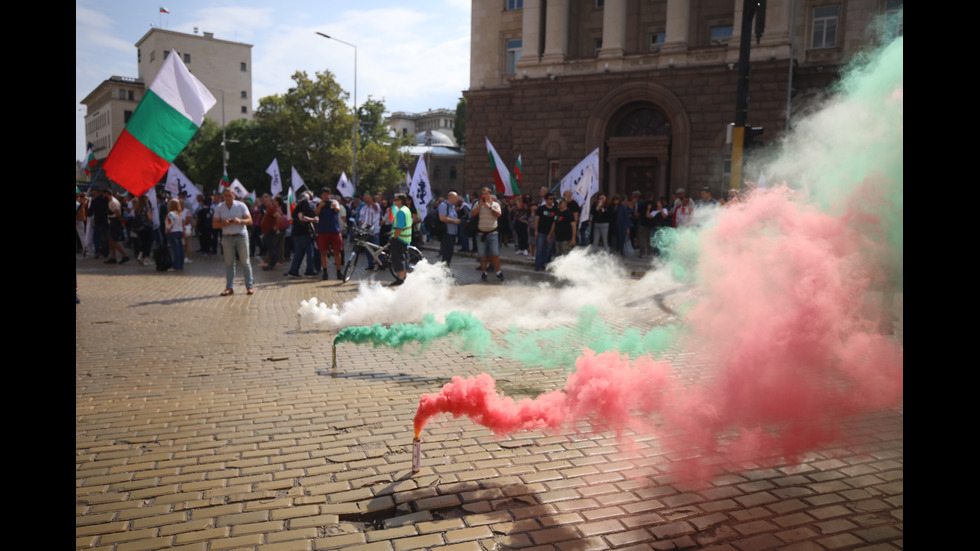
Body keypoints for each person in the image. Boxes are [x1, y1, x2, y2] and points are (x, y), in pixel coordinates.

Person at [213, 188, 254, 295]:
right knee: (229, 263)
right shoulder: (219, 207)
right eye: (225, 196)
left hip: (241, 236)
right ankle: (229, 287)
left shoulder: (241, 205)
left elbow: (250, 221)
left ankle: (249, 286)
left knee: (245, 262)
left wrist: (240, 221)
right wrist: (224, 223)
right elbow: (214, 224)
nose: (228, 198)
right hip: (227, 238)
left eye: (230, 195)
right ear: (223, 197)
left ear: (234, 196)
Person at [471, 187, 504, 282]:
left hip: (492, 233)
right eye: (482, 193)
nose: (484, 195)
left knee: (495, 254)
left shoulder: (496, 204)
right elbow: (473, 214)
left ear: (490, 194)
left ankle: (498, 272)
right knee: (482, 254)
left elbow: (498, 214)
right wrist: (479, 206)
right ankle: (484, 272)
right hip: (481, 233)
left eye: (486, 193)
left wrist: (488, 206)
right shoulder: (478, 203)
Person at [285, 191, 318, 279]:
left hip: (297, 234)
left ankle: (294, 271)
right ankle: (309, 271)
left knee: (298, 254)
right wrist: (313, 219)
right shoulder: (302, 207)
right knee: (310, 253)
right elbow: (301, 217)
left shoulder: (298, 207)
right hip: (304, 233)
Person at [315, 187, 345, 280]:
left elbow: (338, 210)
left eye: (327, 194)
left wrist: (334, 206)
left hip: (334, 230)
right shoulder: (318, 204)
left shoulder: (335, 202)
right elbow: (316, 213)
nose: (326, 196)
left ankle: (339, 271)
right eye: (324, 194)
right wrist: (320, 206)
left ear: (330, 195)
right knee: (323, 252)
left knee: (337, 251)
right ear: (321, 195)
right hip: (322, 231)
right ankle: (324, 272)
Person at [388, 193, 413, 286]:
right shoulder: (407, 210)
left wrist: (394, 237)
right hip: (406, 239)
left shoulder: (401, 212)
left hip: (399, 239)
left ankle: (400, 280)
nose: (394, 201)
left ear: (401, 201)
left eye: (396, 199)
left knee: (399, 259)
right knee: (404, 259)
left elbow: (399, 227)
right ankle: (404, 278)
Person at [105, 191, 131, 264]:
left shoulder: (113, 202)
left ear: (107, 194)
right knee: (110, 240)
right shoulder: (111, 201)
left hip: (114, 222)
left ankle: (124, 255)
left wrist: (121, 222)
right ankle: (114, 258)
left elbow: (117, 213)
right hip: (111, 222)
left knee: (113, 241)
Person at [358, 192, 382, 270]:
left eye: (368, 199)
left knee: (376, 248)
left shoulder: (376, 205)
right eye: (365, 199)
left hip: (374, 231)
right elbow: (360, 219)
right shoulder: (363, 208)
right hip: (366, 232)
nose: (367, 201)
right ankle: (370, 264)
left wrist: (371, 202)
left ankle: (380, 263)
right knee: (367, 248)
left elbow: (376, 208)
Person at [259, 194, 282, 271]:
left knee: (272, 248)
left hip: (270, 232)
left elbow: (279, 217)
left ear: (270, 200)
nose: (264, 201)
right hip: (267, 232)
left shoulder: (271, 208)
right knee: (270, 247)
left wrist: (276, 226)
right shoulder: (268, 208)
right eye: (263, 200)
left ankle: (272, 263)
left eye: (266, 199)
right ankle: (272, 262)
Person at [438, 191, 461, 266]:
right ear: (451, 198)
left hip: (453, 233)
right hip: (446, 233)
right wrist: (455, 221)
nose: (457, 200)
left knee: (450, 252)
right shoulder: (443, 205)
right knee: (446, 253)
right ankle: (444, 270)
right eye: (456, 198)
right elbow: (442, 218)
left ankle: (446, 268)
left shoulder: (453, 207)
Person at [131, 196, 154, 265]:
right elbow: (150, 217)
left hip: (140, 228)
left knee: (144, 242)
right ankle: (147, 258)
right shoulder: (147, 207)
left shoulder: (137, 207)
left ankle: (140, 255)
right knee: (148, 242)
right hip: (147, 226)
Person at [165, 198, 185, 271]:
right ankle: (181, 264)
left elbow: (170, 223)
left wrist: (167, 230)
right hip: (179, 231)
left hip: (173, 232)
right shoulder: (179, 214)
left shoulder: (171, 214)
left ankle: (176, 265)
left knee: (175, 250)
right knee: (180, 249)